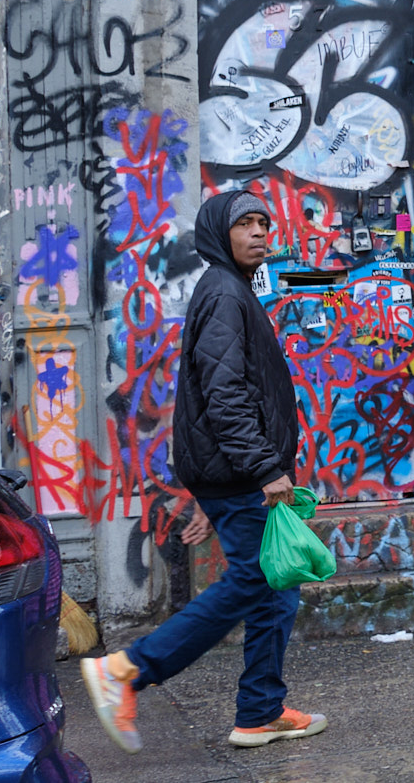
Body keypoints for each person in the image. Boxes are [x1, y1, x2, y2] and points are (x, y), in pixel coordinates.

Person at [79, 188, 328, 752]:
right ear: (220, 232)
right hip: (239, 474)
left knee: (276, 589)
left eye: (265, 222)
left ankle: (259, 712)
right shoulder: (223, 292)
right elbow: (224, 392)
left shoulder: (233, 290)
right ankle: (128, 670)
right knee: (254, 580)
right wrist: (266, 468)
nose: (261, 231)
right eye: (246, 223)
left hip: (237, 470)